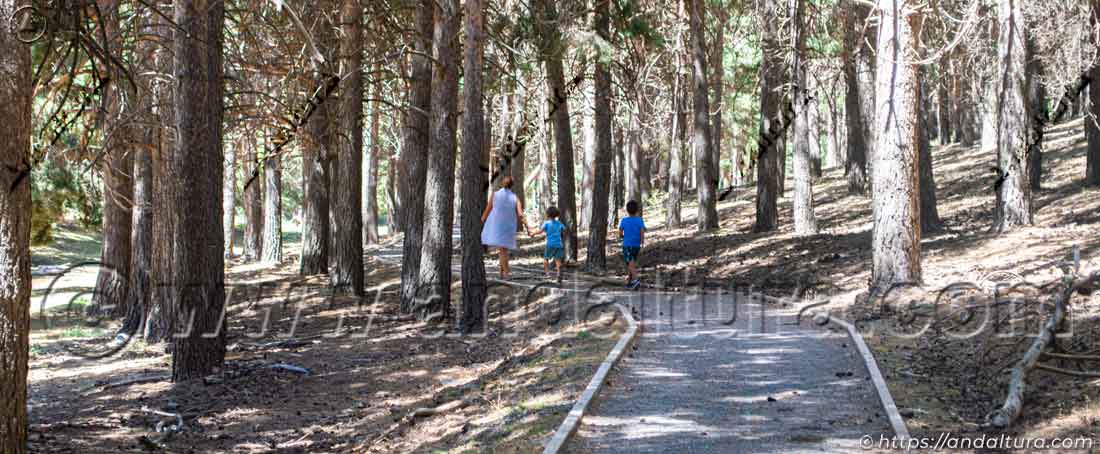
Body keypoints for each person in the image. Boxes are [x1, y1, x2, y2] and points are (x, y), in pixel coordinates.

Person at [481, 176, 528, 279]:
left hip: (497, 225)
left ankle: (505, 273)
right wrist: (528, 227)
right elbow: (521, 214)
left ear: (502, 184)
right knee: (503, 250)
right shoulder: (515, 197)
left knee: (502, 250)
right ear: (512, 185)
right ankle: (504, 273)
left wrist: (481, 222)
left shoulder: (495, 195)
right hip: (508, 226)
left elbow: (488, 210)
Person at [528, 206, 566, 280]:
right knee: (558, 260)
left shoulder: (547, 223)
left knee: (546, 259)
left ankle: (547, 274)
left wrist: (533, 234)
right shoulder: (559, 223)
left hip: (550, 244)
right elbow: (564, 229)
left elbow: (540, 231)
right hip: (559, 244)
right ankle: (559, 274)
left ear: (548, 214)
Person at [618, 200, 646, 290]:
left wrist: (623, 236)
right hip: (636, 245)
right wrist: (642, 242)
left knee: (630, 263)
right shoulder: (639, 220)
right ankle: (629, 282)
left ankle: (636, 280)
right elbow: (642, 232)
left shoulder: (624, 220)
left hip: (627, 245)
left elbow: (620, 233)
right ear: (637, 210)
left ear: (627, 210)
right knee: (631, 263)